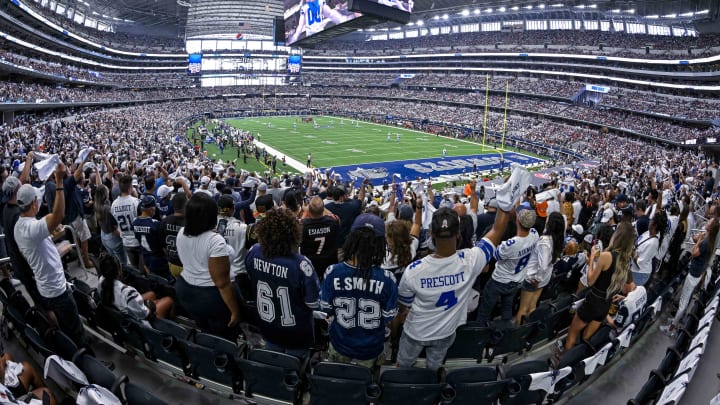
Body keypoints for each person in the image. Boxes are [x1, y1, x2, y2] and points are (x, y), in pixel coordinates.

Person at [396, 175, 521, 371]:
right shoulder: (471, 260)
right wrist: (506, 202)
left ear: (432, 236)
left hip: (416, 332)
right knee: (434, 367)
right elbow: (497, 230)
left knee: (403, 366)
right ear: (458, 234)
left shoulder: (414, 271)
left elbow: (403, 307)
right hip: (446, 331)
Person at [14, 164, 87, 347]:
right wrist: (59, 180)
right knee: (76, 329)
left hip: (44, 285)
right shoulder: (32, 227)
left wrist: (56, 250)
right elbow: (58, 215)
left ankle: (72, 349)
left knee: (65, 325)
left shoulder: (18, 226)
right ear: (34, 204)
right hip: (56, 289)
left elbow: (33, 250)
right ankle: (88, 363)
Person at [320, 213, 398, 367]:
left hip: (340, 343)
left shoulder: (332, 272)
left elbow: (326, 309)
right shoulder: (388, 279)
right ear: (380, 244)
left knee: (337, 379)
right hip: (370, 348)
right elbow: (390, 317)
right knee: (363, 384)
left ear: (351, 239)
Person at [553, 222, 635, 366]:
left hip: (593, 301)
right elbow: (630, 288)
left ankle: (562, 364)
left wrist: (591, 259)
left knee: (572, 333)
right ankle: (574, 363)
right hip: (605, 306)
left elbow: (590, 281)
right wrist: (623, 296)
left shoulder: (606, 256)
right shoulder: (626, 261)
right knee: (586, 338)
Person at [245, 208, 321, 358]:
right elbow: (313, 303)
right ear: (293, 234)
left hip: (267, 326)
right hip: (296, 332)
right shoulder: (301, 264)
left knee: (274, 365)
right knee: (295, 370)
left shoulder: (253, 252)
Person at [175, 193, 241, 339]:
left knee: (205, 332)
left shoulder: (181, 232)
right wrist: (235, 311)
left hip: (185, 289)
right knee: (224, 337)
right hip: (209, 296)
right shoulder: (215, 240)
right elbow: (222, 284)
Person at [476, 204, 539, 324]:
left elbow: (496, 254)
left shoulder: (511, 244)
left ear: (518, 220)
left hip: (499, 281)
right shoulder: (535, 234)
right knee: (507, 308)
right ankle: (505, 331)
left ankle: (480, 334)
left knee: (485, 310)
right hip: (516, 280)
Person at [660, 218, 719, 337]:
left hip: (694, 274)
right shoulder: (708, 240)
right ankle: (675, 322)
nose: (707, 222)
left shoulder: (706, 242)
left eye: (709, 222)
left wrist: (699, 240)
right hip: (696, 272)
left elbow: (694, 252)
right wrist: (699, 238)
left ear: (712, 228)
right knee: (684, 299)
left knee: (683, 302)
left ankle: (671, 329)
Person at [515, 211, 565, 325]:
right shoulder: (556, 239)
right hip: (543, 279)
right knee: (532, 306)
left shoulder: (545, 241)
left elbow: (543, 265)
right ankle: (527, 329)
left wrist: (537, 279)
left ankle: (516, 332)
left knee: (523, 309)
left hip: (533, 278)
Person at [97, 253, 174, 320]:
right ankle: (166, 326)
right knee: (169, 299)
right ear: (118, 271)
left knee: (152, 294)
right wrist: (150, 307)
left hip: (122, 309)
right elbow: (146, 316)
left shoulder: (101, 282)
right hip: (139, 322)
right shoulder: (128, 292)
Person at [133, 195, 172, 281]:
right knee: (167, 282)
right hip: (159, 260)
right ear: (151, 209)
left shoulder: (134, 222)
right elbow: (163, 245)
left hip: (146, 259)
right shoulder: (156, 224)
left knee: (154, 282)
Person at [300, 196, 340, 279]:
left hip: (309, 264)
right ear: (323, 210)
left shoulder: (303, 225)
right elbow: (335, 218)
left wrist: (305, 212)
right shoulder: (333, 221)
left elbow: (300, 223)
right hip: (329, 262)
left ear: (309, 211)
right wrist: (320, 207)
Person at [111, 175, 142, 270]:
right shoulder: (135, 202)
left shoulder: (114, 204)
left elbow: (114, 226)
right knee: (144, 269)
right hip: (138, 241)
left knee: (135, 268)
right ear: (130, 188)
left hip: (126, 241)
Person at [631, 211, 667, 286]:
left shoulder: (653, 243)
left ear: (655, 225)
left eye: (651, 220)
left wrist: (632, 251)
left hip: (639, 274)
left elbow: (639, 264)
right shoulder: (648, 232)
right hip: (633, 268)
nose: (649, 221)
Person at [216, 195, 249, 278]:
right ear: (233, 208)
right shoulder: (243, 228)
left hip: (216, 273)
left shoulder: (209, 226)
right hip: (238, 273)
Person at [95, 184, 126, 266]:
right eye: (107, 190)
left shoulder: (97, 205)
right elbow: (115, 230)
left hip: (104, 236)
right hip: (112, 237)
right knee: (122, 263)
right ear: (104, 194)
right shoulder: (108, 209)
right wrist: (125, 237)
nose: (109, 191)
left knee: (114, 260)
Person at [160, 193, 187, 278]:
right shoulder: (190, 222)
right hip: (187, 265)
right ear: (186, 205)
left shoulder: (165, 221)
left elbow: (162, 245)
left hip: (172, 263)